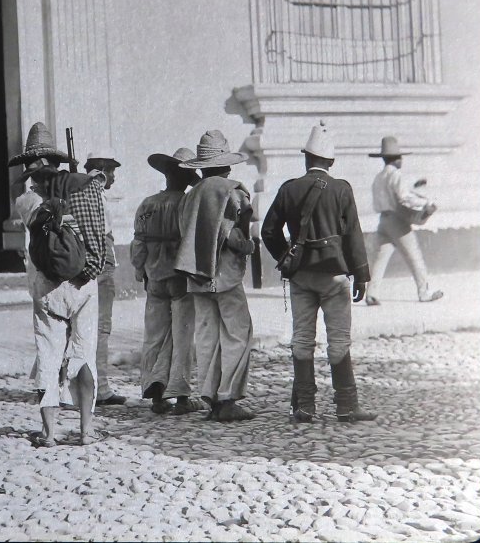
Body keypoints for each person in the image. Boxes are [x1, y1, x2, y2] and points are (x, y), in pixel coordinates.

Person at [261, 122, 377, 423]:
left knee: (302, 339)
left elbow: (268, 231)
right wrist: (361, 275)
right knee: (338, 340)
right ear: (331, 162)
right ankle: (346, 405)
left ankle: (305, 406)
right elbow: (353, 235)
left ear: (306, 159)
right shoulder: (341, 190)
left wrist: (286, 257)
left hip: (301, 276)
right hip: (334, 275)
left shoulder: (289, 189)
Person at [10, 122, 107, 446]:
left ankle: (49, 432)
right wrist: (90, 268)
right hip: (82, 284)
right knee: (84, 354)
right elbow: (97, 236)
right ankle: (86, 430)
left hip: (45, 285)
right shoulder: (88, 187)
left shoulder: (26, 201)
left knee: (48, 355)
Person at [175, 131, 256, 422]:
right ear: (227, 163)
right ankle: (228, 397)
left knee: (207, 336)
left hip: (195, 273)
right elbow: (233, 235)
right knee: (237, 332)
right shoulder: (232, 191)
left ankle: (209, 395)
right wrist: (248, 246)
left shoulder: (190, 195)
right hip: (225, 273)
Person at [130, 148, 203, 415]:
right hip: (180, 277)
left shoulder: (147, 204)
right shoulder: (187, 205)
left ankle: (156, 392)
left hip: (154, 278)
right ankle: (181, 394)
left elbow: (138, 243)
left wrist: (141, 270)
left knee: (154, 336)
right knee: (183, 337)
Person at [365, 136, 443, 306]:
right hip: (397, 220)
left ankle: (371, 294)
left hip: (383, 221)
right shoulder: (396, 175)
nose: (402, 160)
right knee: (414, 256)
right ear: (396, 159)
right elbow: (404, 197)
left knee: (379, 258)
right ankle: (424, 292)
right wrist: (426, 204)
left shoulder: (378, 178)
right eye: (400, 157)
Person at [84, 149, 127, 406]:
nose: (114, 178)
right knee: (101, 327)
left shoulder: (82, 192)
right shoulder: (95, 194)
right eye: (112, 171)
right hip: (101, 263)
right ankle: (100, 386)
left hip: (94, 262)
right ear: (102, 171)